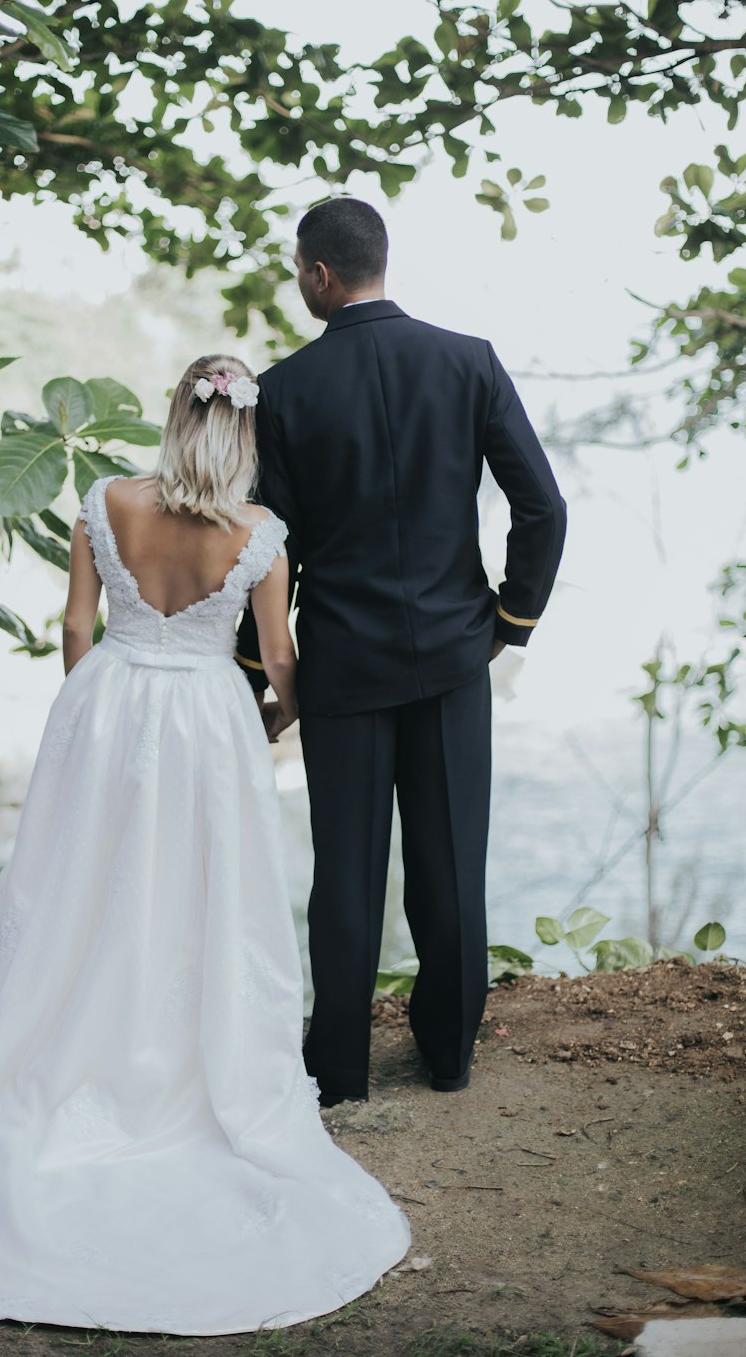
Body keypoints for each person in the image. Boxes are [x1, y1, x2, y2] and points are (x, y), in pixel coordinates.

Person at [0, 354, 410, 1335]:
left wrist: (90, 720)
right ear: (245, 437)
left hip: (110, 707)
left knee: (80, 893)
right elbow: (280, 660)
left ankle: (66, 1041)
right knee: (200, 902)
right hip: (208, 724)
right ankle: (170, 1057)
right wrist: (285, 726)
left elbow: (75, 630)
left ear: (175, 418)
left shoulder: (102, 500)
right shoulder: (261, 538)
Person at [235, 199, 568, 1109]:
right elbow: (542, 508)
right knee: (453, 862)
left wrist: (258, 674)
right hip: (456, 659)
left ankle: (338, 1072)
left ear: (319, 275)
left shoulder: (284, 390)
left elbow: (270, 551)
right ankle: (449, 1055)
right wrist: (510, 620)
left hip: (342, 665)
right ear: (378, 262)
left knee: (344, 871)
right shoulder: (468, 362)